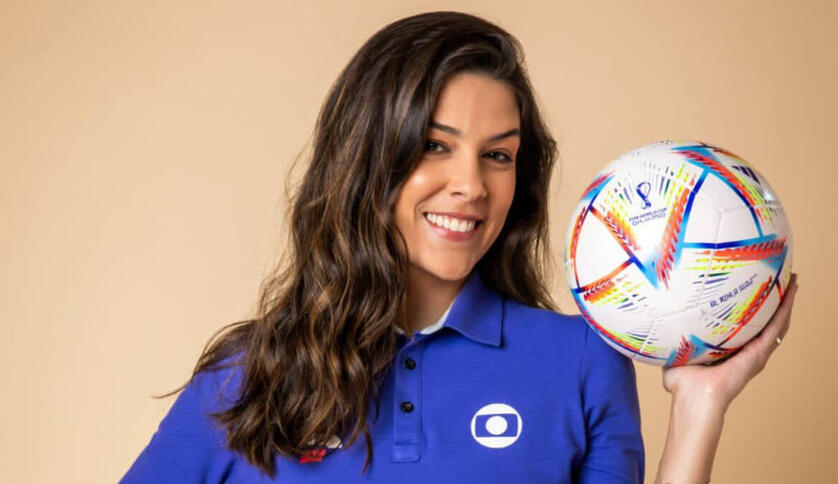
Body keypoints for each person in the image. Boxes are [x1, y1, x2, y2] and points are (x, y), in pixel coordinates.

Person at [121, 11, 798, 484]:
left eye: (498, 156)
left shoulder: (583, 361)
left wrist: (699, 407)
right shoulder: (248, 375)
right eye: (434, 146)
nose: (471, 185)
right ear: (366, 156)